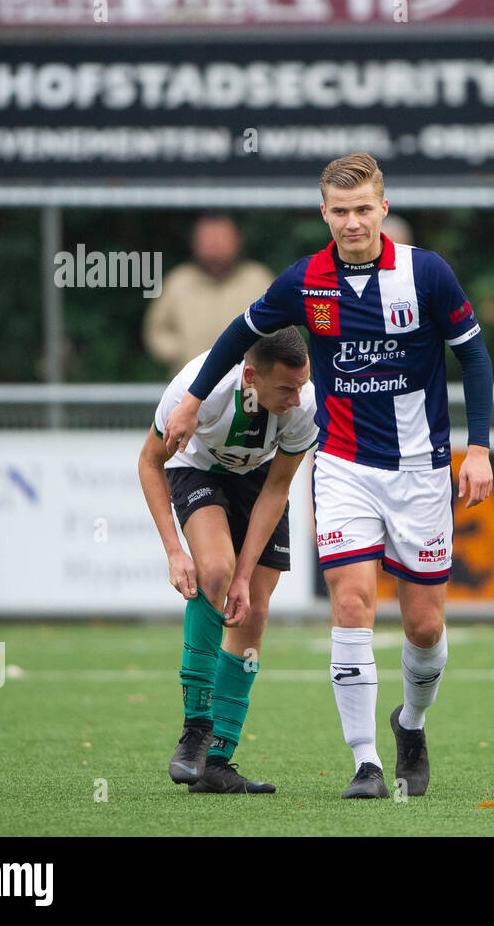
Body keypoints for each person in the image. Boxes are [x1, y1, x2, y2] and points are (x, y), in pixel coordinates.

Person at [160, 152, 494, 800]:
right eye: (339, 212)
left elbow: (474, 357)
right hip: (343, 465)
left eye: (363, 209)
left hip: (421, 470)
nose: (352, 222)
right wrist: (196, 398)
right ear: (325, 214)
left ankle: (411, 724)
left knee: (424, 627)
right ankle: (366, 762)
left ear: (383, 209)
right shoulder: (306, 279)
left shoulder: (427, 274)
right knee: (350, 603)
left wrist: (477, 448)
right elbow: (238, 335)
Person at [137, 327, 317, 794]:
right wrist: (175, 552)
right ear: (250, 376)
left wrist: (246, 575)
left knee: (252, 611)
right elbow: (149, 463)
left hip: (258, 483)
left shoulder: (306, 405)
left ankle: (218, 760)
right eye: (286, 389)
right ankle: (195, 730)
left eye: (301, 386)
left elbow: (277, 487)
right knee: (213, 572)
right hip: (195, 469)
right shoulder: (197, 390)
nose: (297, 399)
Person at [143, 214, 274, 377]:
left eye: (221, 237)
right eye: (207, 238)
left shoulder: (258, 280)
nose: (214, 244)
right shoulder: (178, 281)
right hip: (190, 385)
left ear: (237, 241)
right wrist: (180, 352)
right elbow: (156, 329)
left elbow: (282, 330)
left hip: (249, 386)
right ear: (194, 243)